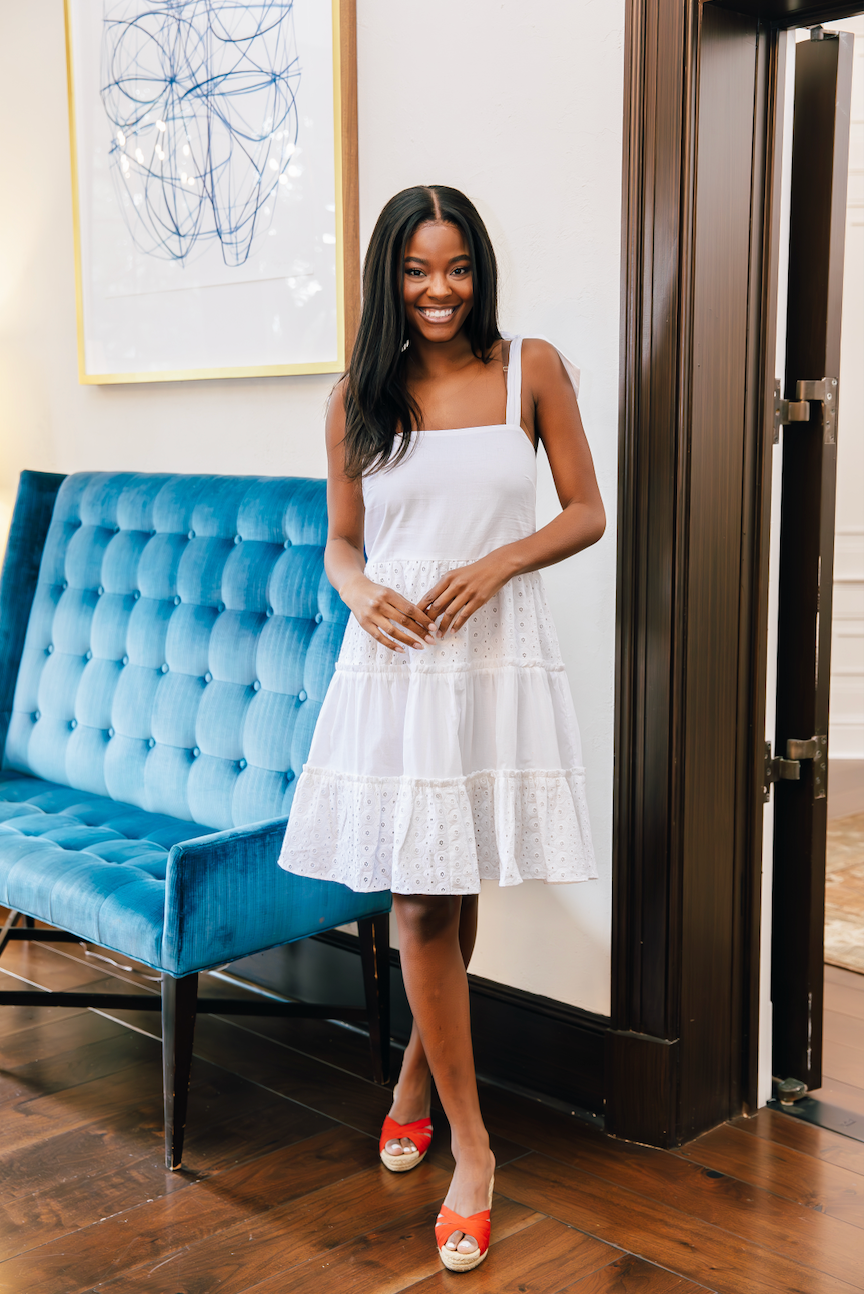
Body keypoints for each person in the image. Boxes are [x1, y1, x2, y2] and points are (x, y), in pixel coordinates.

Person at [279, 184, 604, 1272]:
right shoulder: (355, 398)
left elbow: (584, 508)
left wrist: (500, 559)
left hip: (493, 647)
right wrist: (357, 591)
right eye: (417, 270)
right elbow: (340, 542)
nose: (438, 290)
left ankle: (417, 1075)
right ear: (389, 276)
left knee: (455, 880)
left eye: (456, 266)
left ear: (480, 269)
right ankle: (476, 1148)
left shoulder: (533, 369)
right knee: (419, 892)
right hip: (401, 659)